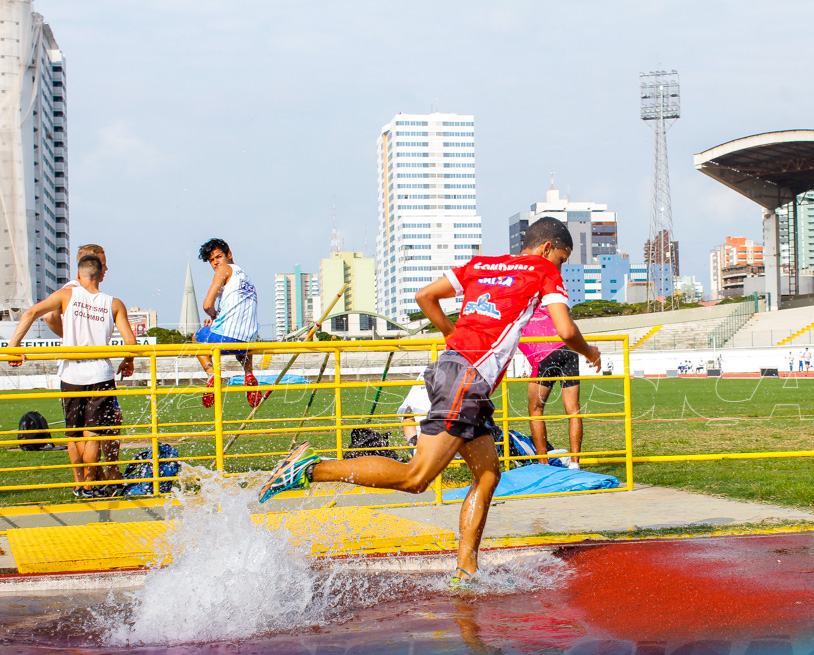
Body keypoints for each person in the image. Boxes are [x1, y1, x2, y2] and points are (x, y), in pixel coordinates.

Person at [258, 217, 600, 585]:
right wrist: (589, 350)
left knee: (487, 476)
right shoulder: (542, 271)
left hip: (456, 371)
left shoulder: (481, 264)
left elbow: (425, 296)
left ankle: (467, 570)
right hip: (467, 379)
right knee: (417, 476)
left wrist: (454, 335)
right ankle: (310, 468)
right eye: (562, 259)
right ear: (548, 248)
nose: (560, 267)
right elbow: (565, 330)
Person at [7, 254, 137, 498]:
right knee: (93, 433)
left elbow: (30, 313)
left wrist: (14, 347)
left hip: (71, 373)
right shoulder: (114, 303)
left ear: (78, 275)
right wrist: (127, 361)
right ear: (100, 276)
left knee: (73, 433)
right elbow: (131, 341)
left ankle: (80, 484)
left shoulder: (66, 295)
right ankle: (90, 485)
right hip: (100, 373)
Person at [42, 244, 125, 490]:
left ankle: (93, 480)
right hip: (88, 370)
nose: (106, 268)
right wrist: (73, 341)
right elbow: (48, 316)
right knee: (93, 430)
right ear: (91, 265)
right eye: (103, 263)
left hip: (77, 371)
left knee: (86, 428)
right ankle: (94, 479)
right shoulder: (73, 290)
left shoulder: (81, 291)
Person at [193, 239, 262, 408]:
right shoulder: (247, 278)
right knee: (242, 340)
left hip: (225, 338)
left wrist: (214, 315)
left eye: (219, 257)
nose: (216, 262)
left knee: (196, 338)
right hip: (248, 343)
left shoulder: (224, 270)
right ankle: (248, 374)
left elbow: (207, 305)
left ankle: (212, 376)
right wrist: (218, 319)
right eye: (212, 260)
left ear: (229, 254)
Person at [518, 306, 584, 469]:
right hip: (568, 349)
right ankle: (575, 463)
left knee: (536, 408)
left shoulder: (518, 304)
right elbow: (569, 323)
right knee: (573, 408)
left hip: (544, 352)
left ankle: (543, 463)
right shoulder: (551, 301)